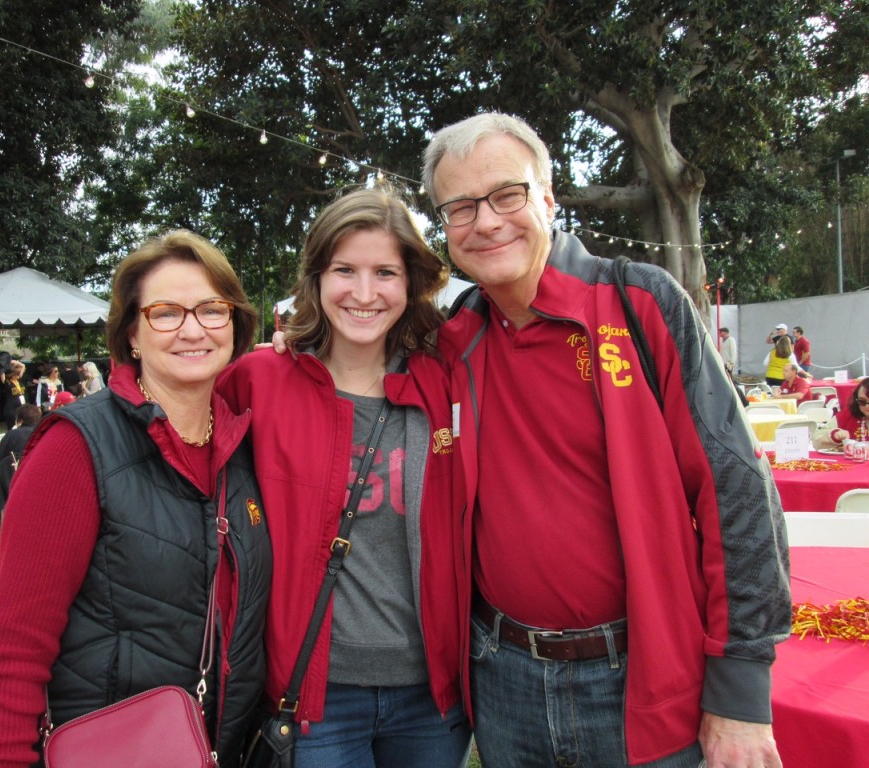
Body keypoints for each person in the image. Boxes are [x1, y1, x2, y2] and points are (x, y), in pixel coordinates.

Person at [421, 113, 789, 767]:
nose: (486, 221)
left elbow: (738, 492)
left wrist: (739, 692)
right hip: (503, 680)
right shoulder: (455, 340)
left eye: (508, 194)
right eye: (461, 207)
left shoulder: (641, 304)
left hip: (643, 679)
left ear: (548, 199)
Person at [0, 230, 271, 768]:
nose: (193, 329)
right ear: (131, 333)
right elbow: (13, 646)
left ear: (235, 325)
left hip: (218, 748)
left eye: (212, 310)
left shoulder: (243, 447)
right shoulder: (76, 446)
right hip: (111, 748)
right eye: (166, 313)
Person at [220, 189, 471, 768]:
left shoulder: (447, 381)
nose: (364, 293)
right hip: (313, 695)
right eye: (344, 271)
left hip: (430, 698)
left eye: (384, 272)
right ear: (316, 278)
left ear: (410, 283)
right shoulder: (259, 380)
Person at [0, 404, 42, 514]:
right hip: (39, 480)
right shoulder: (43, 433)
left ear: (20, 419)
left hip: (13, 481)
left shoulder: (11, 434)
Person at [813, 378, 869, 449]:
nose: (867, 405)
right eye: (862, 401)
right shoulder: (847, 415)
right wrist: (834, 435)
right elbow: (816, 440)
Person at [0, 360, 27, 429]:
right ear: (12, 374)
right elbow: (1, 371)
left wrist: (13, 362)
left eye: (19, 374)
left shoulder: (19, 380)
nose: (18, 375)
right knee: (13, 428)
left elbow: (23, 366)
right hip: (11, 410)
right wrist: (8, 362)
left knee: (21, 427)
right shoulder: (7, 382)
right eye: (16, 374)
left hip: (21, 408)